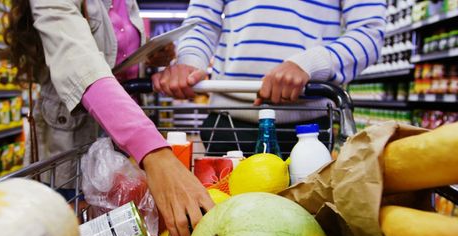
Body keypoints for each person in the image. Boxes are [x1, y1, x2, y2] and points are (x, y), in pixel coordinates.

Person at [4, 0, 213, 236]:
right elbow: (79, 62)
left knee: (114, 233)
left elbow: (113, 58)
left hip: (120, 144)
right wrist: (155, 154)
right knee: (70, 233)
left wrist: (149, 58)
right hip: (72, 139)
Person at [153, 0, 386, 156]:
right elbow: (201, 23)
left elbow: (369, 33)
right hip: (229, 123)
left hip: (309, 131)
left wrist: (309, 64)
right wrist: (189, 63)